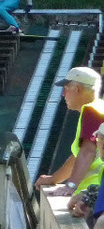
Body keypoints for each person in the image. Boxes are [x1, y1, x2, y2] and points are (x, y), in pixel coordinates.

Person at [35, 67, 104, 198]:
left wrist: (71, 185)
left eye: (65, 89)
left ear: (77, 89)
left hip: (95, 190)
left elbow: (87, 152)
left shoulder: (91, 111)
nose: (63, 94)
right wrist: (53, 179)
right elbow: (77, 157)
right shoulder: (99, 107)